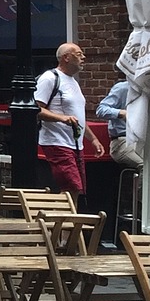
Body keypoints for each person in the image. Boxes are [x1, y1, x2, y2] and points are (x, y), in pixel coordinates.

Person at [35, 42, 105, 196]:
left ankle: (65, 219)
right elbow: (36, 109)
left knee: (76, 190)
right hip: (56, 142)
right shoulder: (49, 78)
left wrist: (93, 140)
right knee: (71, 187)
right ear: (66, 57)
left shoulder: (73, 83)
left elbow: (78, 117)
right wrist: (62, 118)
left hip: (75, 145)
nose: (83, 57)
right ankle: (63, 219)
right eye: (79, 54)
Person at [96, 78, 143, 169]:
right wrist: (121, 113)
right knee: (145, 166)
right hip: (122, 141)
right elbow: (101, 110)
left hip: (143, 141)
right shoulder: (122, 88)